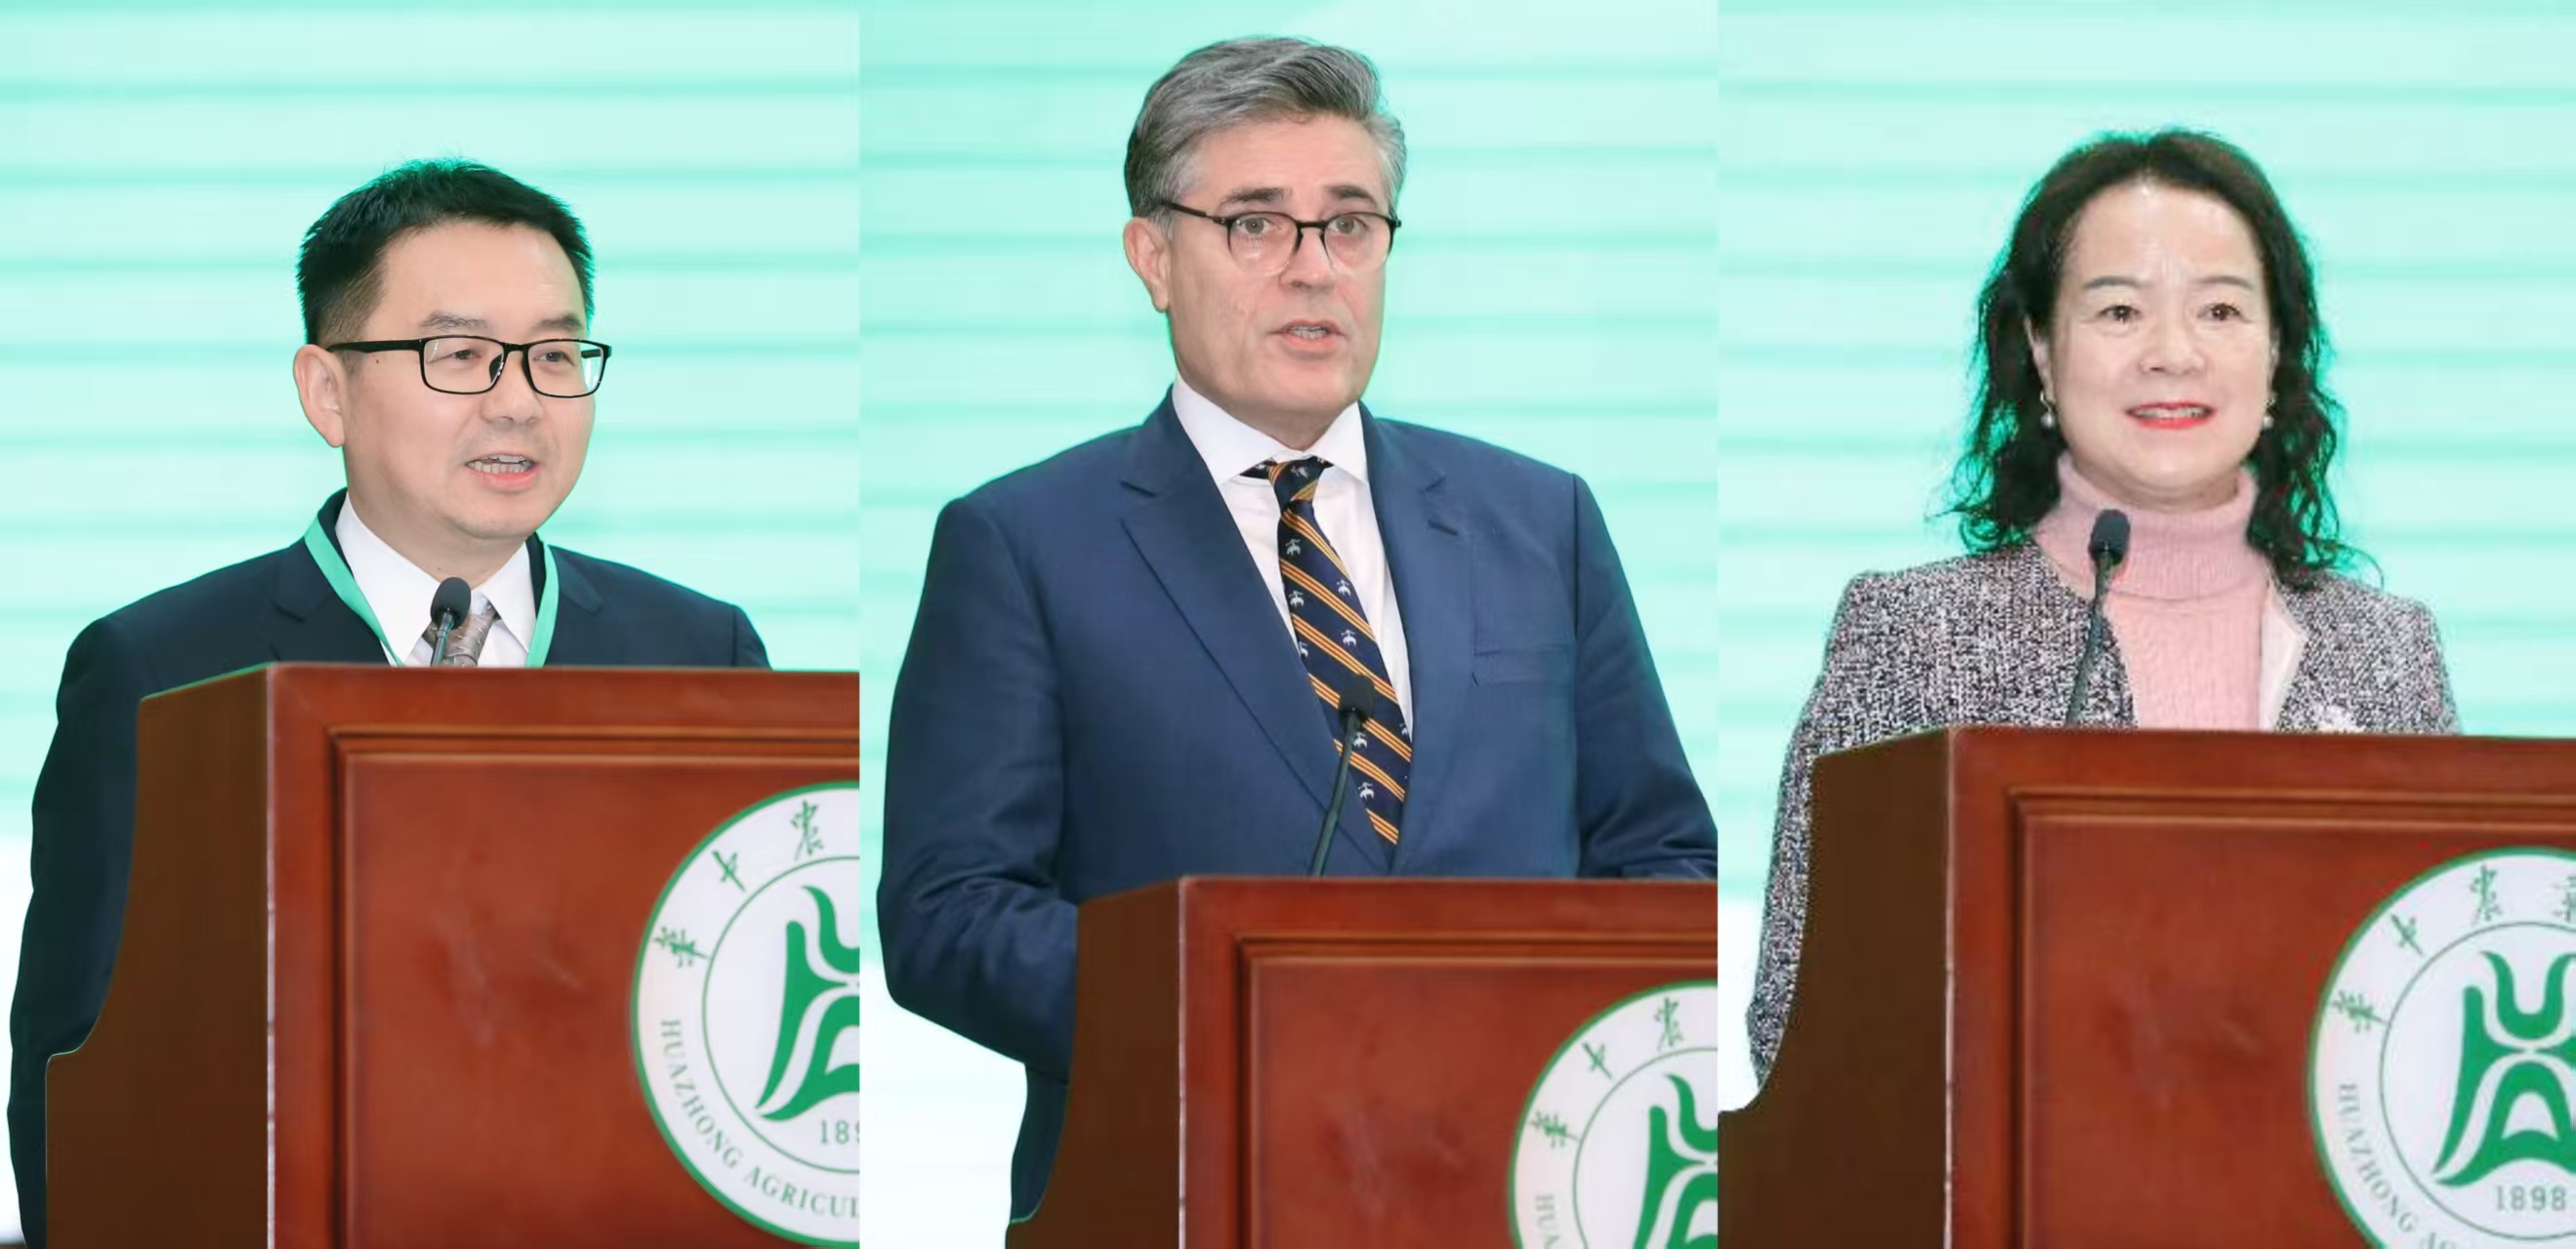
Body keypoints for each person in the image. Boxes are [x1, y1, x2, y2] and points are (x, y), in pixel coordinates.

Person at [878, 36, 1716, 1223]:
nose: (1314, 269)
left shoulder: (1541, 520)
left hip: (1520, 1187)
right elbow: (949, 912)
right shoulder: (1022, 544)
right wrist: (1246, 1003)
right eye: (1257, 225)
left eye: (1351, 225)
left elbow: (1667, 858)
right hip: (1187, 1187)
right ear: (1153, 257)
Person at [9, 159, 769, 1247]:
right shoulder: (161, 672)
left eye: (556, 355)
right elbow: (74, 1079)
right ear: (327, 391)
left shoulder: (699, 654)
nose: (519, 400)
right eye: (459, 355)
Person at [1745, 129, 2460, 1082]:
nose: (2172, 354)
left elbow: (2430, 1001)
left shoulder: (2389, 652)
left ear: (2277, 350)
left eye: (2219, 310)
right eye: (2120, 310)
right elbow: (1799, 1012)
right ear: (2041, 352)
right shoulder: (1914, 635)